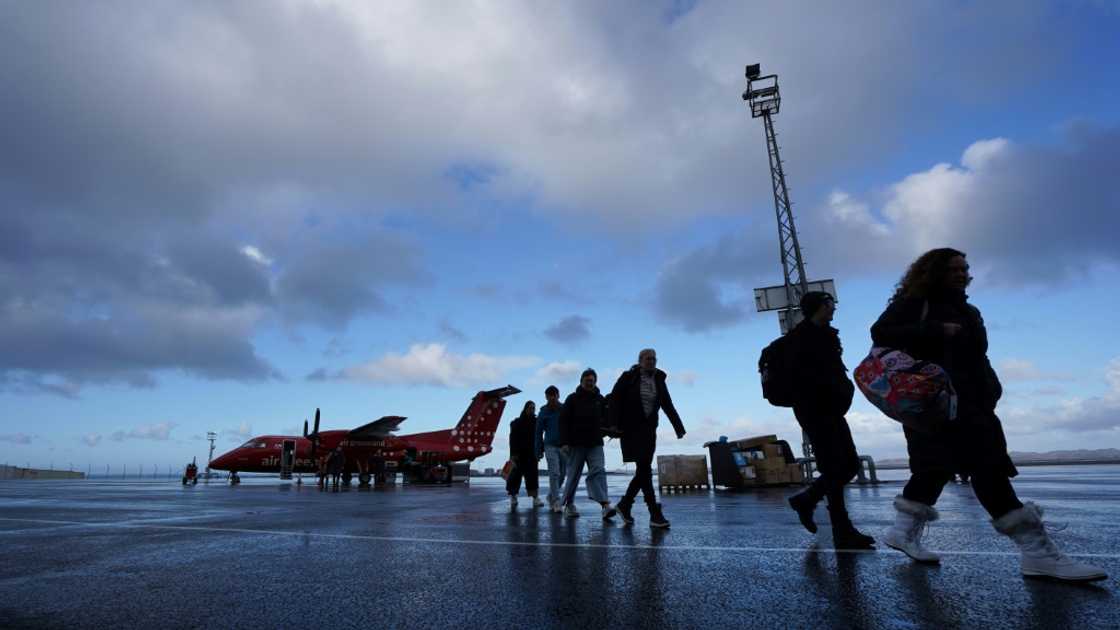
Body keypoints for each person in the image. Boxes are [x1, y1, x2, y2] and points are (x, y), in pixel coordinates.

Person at [871, 248, 1105, 582]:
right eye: (953, 267)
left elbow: (977, 357)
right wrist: (938, 330)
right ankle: (1038, 554)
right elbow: (880, 333)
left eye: (964, 267)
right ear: (933, 272)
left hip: (970, 402)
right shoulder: (915, 303)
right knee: (988, 470)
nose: (961, 272)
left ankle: (902, 532)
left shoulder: (967, 309)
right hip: (938, 403)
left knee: (933, 471)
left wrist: (991, 387)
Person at [784, 292, 875, 549]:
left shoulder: (825, 334)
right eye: (830, 305)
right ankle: (837, 526)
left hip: (830, 410)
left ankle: (813, 505)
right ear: (821, 307)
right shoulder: (800, 338)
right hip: (816, 412)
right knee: (840, 466)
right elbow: (805, 380)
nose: (834, 309)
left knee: (845, 465)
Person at [608, 348, 686, 528]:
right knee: (644, 470)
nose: (652, 361)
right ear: (640, 360)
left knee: (642, 471)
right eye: (648, 359)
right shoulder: (628, 377)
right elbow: (615, 400)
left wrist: (678, 428)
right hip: (631, 430)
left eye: (654, 359)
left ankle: (625, 504)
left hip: (649, 431)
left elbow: (667, 404)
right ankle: (654, 513)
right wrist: (612, 425)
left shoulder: (659, 379)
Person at [558, 369, 617, 520]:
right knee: (573, 476)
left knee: (598, 471)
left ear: (595, 382)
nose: (590, 383)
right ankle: (569, 505)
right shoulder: (572, 399)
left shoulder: (600, 399)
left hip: (595, 443)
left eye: (592, 380)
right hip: (575, 444)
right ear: (581, 381)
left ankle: (605, 505)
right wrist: (564, 442)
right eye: (587, 380)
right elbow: (563, 421)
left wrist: (612, 430)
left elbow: (607, 419)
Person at [535, 385, 567, 513]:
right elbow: (538, 433)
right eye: (550, 396)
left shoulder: (565, 409)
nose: (552, 398)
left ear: (558, 395)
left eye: (554, 395)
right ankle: (556, 501)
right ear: (546, 397)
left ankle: (550, 496)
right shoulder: (543, 412)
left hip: (564, 446)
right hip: (550, 446)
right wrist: (538, 451)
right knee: (554, 473)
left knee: (562, 475)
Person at [506, 400, 543, 509]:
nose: (532, 410)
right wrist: (513, 453)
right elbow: (512, 439)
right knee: (514, 477)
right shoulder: (517, 423)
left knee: (532, 477)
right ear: (525, 408)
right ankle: (513, 497)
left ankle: (535, 498)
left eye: (533, 408)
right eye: (530, 408)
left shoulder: (536, 422)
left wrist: (540, 450)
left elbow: (539, 438)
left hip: (532, 454)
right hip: (518, 454)